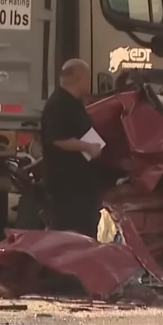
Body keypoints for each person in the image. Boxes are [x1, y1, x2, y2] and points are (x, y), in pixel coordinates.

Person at [41, 59, 103, 237]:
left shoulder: (74, 103)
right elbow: (58, 139)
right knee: (70, 232)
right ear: (78, 78)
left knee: (86, 229)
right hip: (67, 186)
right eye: (88, 77)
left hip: (81, 184)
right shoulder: (59, 104)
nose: (90, 81)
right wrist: (88, 147)